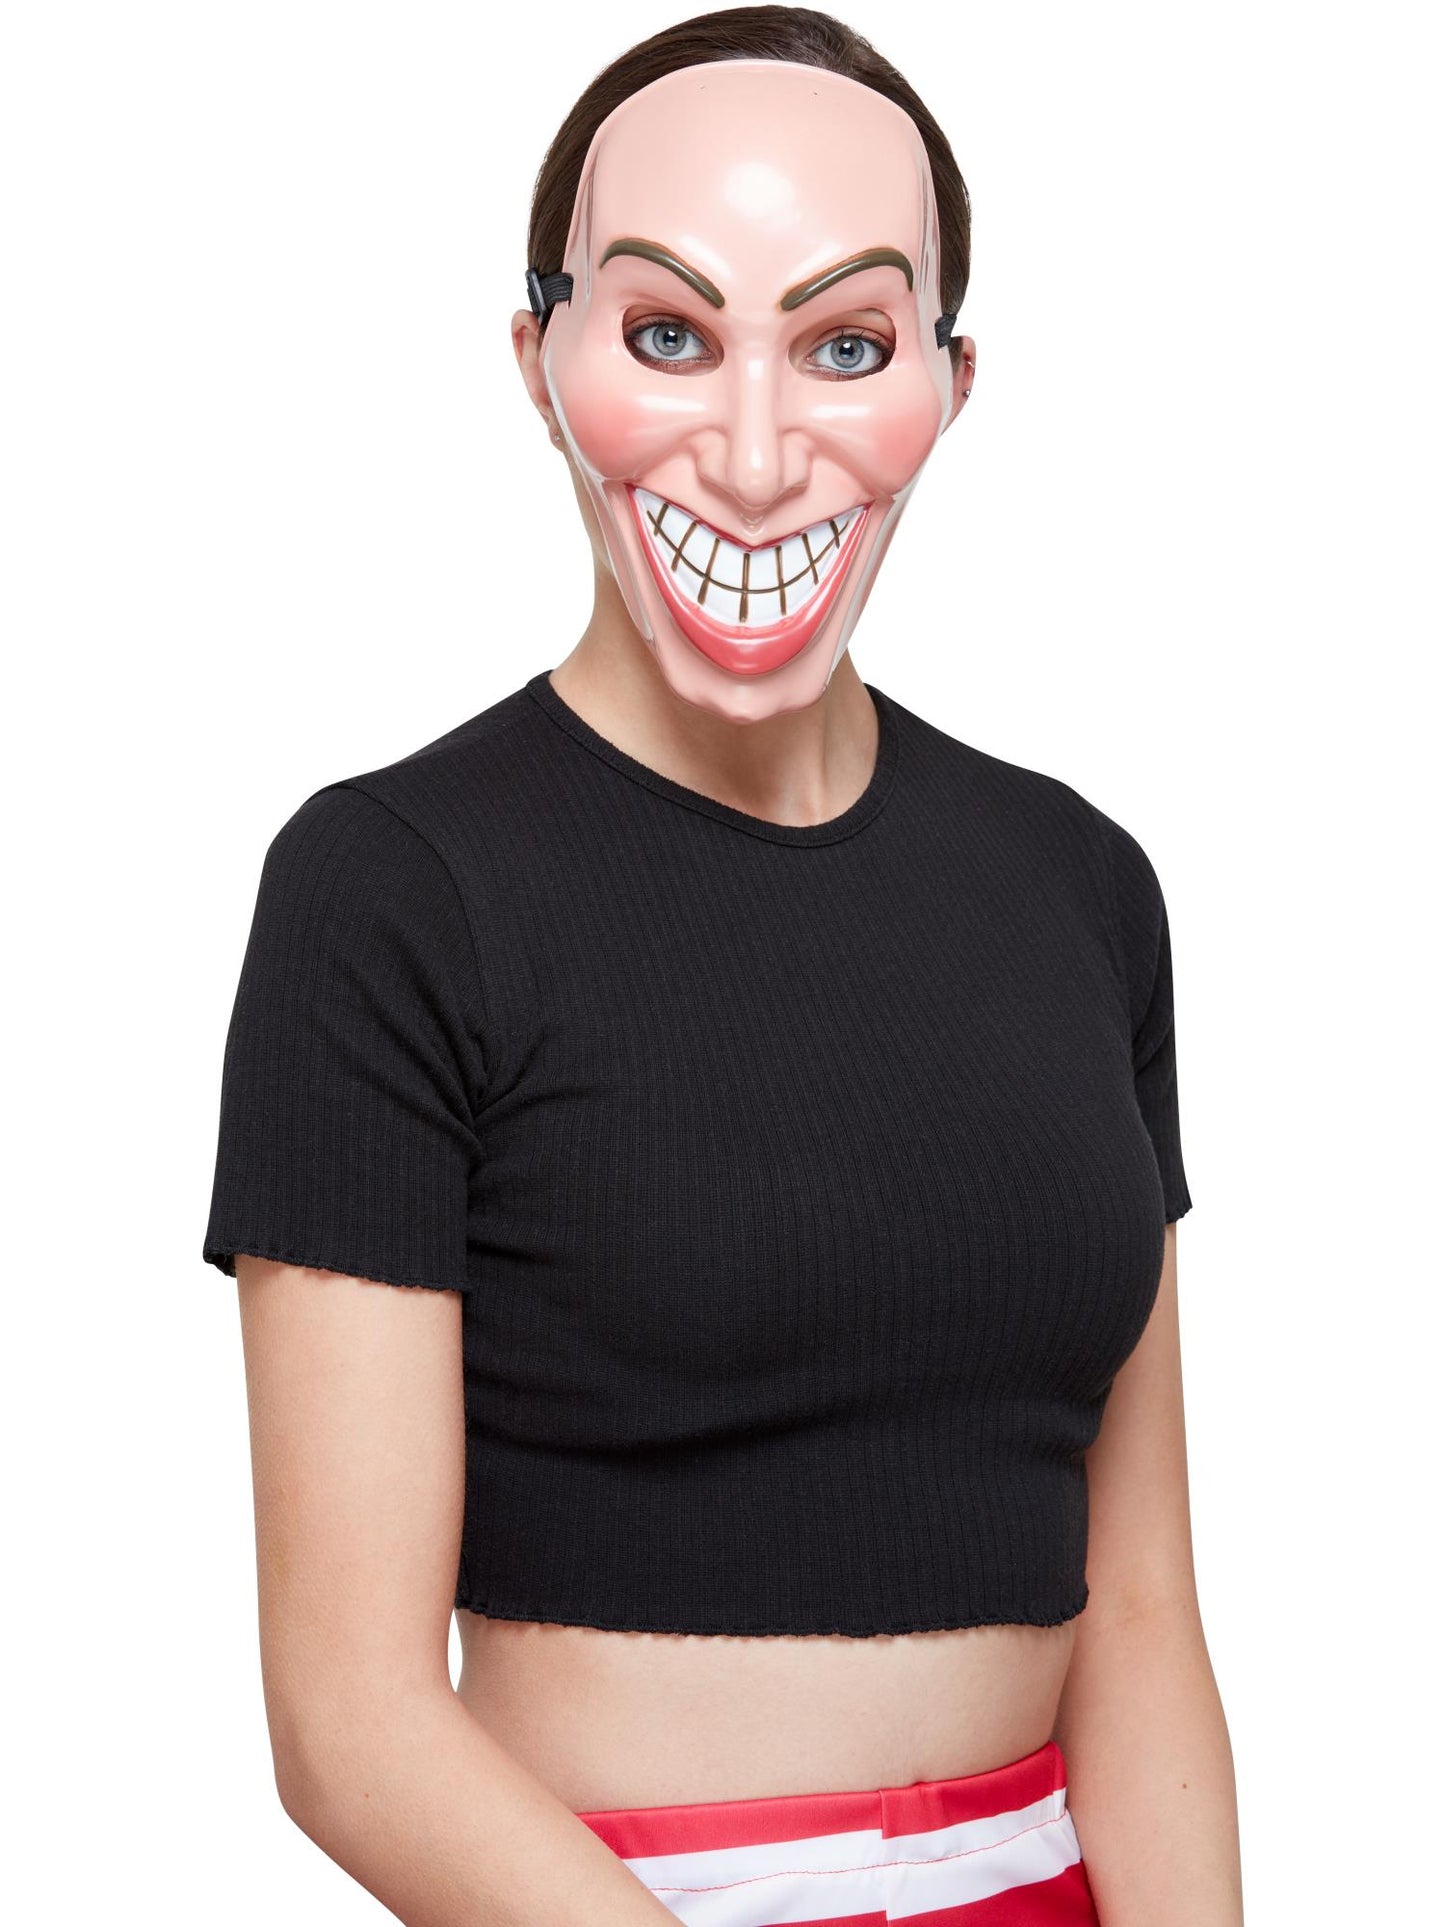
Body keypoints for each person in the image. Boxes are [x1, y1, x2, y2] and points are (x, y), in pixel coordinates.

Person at [202, 9, 1244, 1924]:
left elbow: (1145, 1608)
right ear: (540, 363)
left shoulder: (1081, 884)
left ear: (949, 383)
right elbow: (347, 1720)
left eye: (844, 345)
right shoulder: (390, 892)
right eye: (667, 335)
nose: (756, 457)